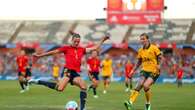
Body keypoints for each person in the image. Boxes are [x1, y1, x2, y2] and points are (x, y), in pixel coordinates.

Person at [29, 31, 109, 110]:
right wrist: (40, 56)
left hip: (75, 73)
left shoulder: (82, 49)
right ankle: (38, 81)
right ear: (72, 40)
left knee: (83, 87)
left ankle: (82, 108)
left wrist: (103, 40)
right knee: (60, 88)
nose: (77, 43)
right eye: (75, 41)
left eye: (78, 41)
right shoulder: (66, 48)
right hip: (67, 71)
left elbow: (94, 48)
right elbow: (54, 52)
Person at [124, 33, 163, 110]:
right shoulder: (140, 50)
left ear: (147, 39)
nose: (142, 40)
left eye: (143, 39)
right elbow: (138, 62)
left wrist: (159, 65)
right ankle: (130, 102)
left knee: (146, 86)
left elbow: (160, 57)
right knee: (139, 84)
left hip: (154, 71)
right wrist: (132, 71)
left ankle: (148, 103)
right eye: (141, 39)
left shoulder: (154, 48)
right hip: (144, 70)